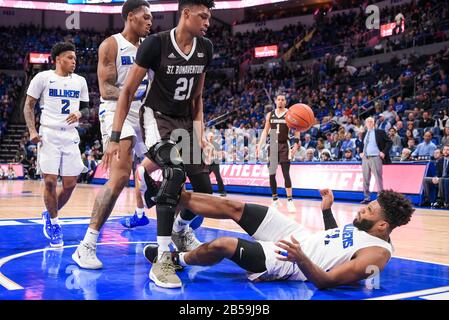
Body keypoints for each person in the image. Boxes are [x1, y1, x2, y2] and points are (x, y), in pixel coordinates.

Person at [102, 0, 216, 288]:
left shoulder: (206, 48)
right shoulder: (155, 44)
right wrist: (114, 138)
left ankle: (179, 229)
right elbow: (127, 90)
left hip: (185, 123)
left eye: (209, 18)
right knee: (175, 172)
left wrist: (199, 134)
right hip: (156, 118)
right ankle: (163, 259)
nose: (207, 23)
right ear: (186, 14)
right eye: (203, 16)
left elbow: (198, 97)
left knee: (205, 189)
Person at [144, 188, 413, 289]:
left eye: (368, 209)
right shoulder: (368, 228)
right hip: (301, 237)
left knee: (223, 244)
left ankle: (174, 259)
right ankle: (176, 196)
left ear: (383, 224)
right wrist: (327, 211)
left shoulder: (376, 257)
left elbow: (326, 281)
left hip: (293, 260)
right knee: (235, 207)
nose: (361, 209)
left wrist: (300, 258)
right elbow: (337, 240)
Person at [72, 0, 154, 269]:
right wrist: (133, 93)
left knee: (174, 165)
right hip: (116, 111)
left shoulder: (150, 47)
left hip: (146, 113)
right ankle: (87, 245)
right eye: (145, 17)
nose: (150, 22)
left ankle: (179, 229)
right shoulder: (111, 44)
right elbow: (107, 89)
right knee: (119, 177)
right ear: (131, 17)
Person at [24, 42, 89, 247]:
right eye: (70, 58)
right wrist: (32, 131)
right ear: (58, 59)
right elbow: (28, 106)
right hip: (48, 134)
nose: (74, 62)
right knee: (50, 181)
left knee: (69, 185)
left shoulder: (80, 81)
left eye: (75, 59)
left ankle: (49, 213)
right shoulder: (43, 78)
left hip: (70, 135)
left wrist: (80, 113)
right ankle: (54, 223)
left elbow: (87, 108)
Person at [256, 93, 298, 212]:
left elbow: (297, 130)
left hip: (285, 144)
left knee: (286, 173)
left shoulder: (290, 114)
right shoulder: (270, 114)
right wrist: (260, 145)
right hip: (273, 144)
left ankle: (290, 200)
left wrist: (296, 144)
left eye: (282, 100)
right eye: (278, 99)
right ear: (275, 101)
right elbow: (265, 131)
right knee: (271, 174)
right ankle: (275, 199)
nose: (280, 101)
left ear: (285, 102)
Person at [359, 117, 392, 204]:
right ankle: (366, 197)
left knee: (378, 178)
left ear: (374, 123)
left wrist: (383, 152)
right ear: (365, 124)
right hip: (365, 158)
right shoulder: (364, 133)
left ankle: (381, 198)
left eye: (371, 122)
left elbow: (389, 142)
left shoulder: (379, 132)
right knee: (365, 179)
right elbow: (362, 144)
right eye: (368, 122)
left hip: (376, 157)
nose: (369, 123)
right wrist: (360, 152)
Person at [207, 132, 226, 197]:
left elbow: (219, 153)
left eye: (212, 136)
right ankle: (206, 191)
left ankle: (222, 191)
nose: (210, 138)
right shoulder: (206, 144)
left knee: (218, 177)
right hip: (208, 163)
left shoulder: (216, 144)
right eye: (209, 137)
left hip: (215, 163)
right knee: (205, 176)